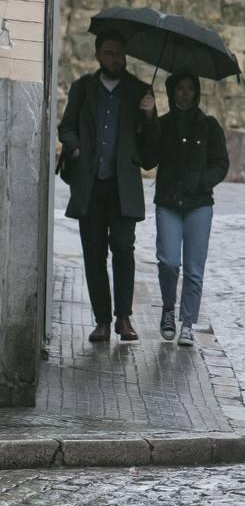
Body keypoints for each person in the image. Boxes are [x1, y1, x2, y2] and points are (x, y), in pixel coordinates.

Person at [58, 30, 157, 343]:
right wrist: (74, 148)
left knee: (124, 252)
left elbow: (151, 153)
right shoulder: (83, 89)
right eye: (111, 53)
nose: (117, 59)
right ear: (99, 55)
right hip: (90, 185)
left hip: (123, 188)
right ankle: (101, 320)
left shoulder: (140, 91)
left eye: (121, 53)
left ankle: (123, 318)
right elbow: (67, 127)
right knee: (93, 253)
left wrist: (150, 115)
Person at [143, 69, 229, 348]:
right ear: (172, 92)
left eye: (190, 88)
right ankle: (169, 308)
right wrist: (148, 118)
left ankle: (188, 324)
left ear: (196, 91)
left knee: (194, 268)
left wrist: (201, 182)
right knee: (168, 261)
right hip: (168, 202)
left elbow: (221, 163)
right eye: (179, 88)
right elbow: (147, 159)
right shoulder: (163, 124)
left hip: (198, 205)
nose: (185, 93)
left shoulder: (209, 125)